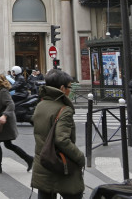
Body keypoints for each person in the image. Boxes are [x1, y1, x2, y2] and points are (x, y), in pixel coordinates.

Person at [31, 68, 85, 199]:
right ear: (62, 88)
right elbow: (62, 140)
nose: (70, 90)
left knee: (45, 194)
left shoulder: (41, 105)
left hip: (43, 162)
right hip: (60, 164)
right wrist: (79, 157)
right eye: (69, 87)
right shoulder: (64, 109)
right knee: (74, 194)